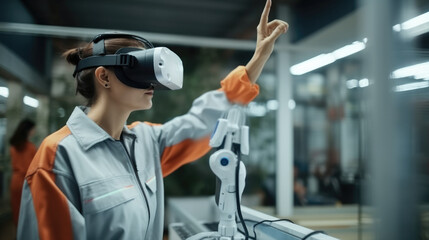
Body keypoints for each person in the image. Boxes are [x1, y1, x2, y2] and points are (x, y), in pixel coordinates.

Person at [17, 0, 288, 239]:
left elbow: (202, 123)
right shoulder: (59, 158)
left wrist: (257, 59)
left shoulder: (146, 141)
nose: (153, 83)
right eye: (138, 66)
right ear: (104, 77)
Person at [9, 119, 37, 227]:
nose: (34, 131)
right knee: (27, 211)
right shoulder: (30, 147)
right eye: (33, 129)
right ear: (28, 130)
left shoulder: (14, 146)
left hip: (15, 181)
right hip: (26, 182)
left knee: (16, 210)